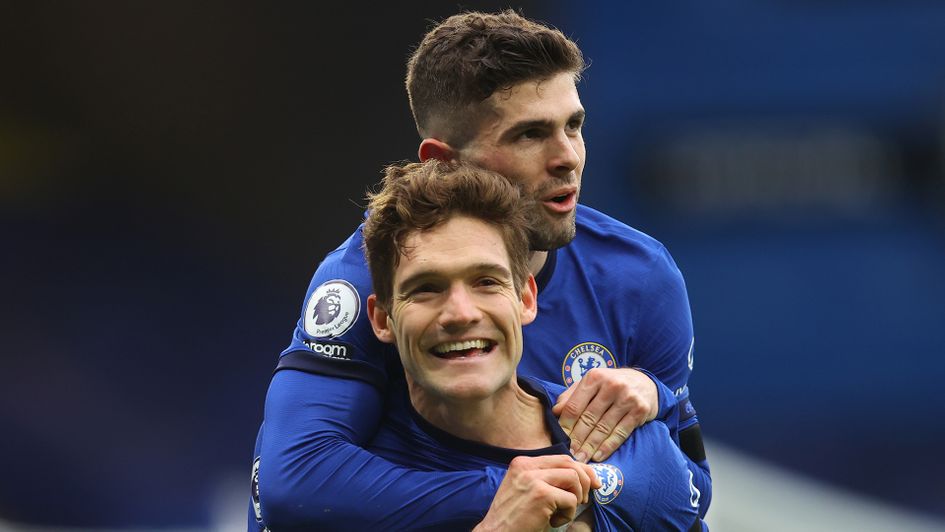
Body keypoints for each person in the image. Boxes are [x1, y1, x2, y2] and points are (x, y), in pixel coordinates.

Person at [250, 10, 710, 530]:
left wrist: (657, 395)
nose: (568, 158)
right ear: (442, 162)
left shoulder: (638, 275)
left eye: (573, 126)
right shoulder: (369, 278)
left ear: (527, 297)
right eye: (529, 135)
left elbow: (690, 493)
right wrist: (522, 490)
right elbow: (296, 484)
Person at [361, 159, 704, 531]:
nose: (460, 314)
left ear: (526, 298)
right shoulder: (349, 486)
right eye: (426, 288)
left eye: (486, 282)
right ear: (382, 319)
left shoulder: (636, 454)